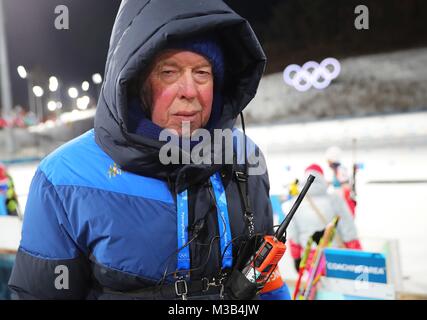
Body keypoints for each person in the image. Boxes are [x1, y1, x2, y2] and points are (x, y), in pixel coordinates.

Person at [9, 0, 290, 300]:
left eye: (202, 73)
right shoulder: (64, 178)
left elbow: (266, 279)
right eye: (169, 72)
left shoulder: (244, 157)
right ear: (135, 81)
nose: (189, 90)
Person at [283, 164, 362, 272]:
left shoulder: (294, 203)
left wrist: (296, 258)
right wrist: (356, 252)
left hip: (309, 258)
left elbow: (293, 235)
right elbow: (348, 229)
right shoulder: (335, 200)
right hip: (334, 256)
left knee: (315, 287)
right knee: (337, 286)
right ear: (322, 178)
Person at [325, 146, 357, 216]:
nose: (328, 164)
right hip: (339, 201)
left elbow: (346, 187)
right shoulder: (336, 171)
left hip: (344, 203)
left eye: (328, 161)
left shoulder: (341, 170)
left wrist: (341, 204)